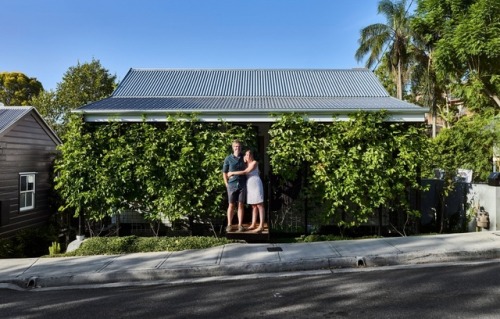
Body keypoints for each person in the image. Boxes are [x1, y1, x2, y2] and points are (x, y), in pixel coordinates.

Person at [228, 149, 265, 233]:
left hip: (256, 183)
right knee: (253, 206)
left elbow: (245, 172)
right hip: (249, 185)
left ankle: (261, 226)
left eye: (249, 155)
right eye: (246, 155)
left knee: (259, 205)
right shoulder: (246, 163)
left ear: (252, 156)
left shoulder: (254, 163)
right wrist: (244, 160)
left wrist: (232, 173)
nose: (247, 156)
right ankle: (253, 224)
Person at [222, 139, 247, 232]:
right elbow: (224, 173)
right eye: (236, 146)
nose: (237, 148)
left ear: (241, 147)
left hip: (242, 184)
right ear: (233, 147)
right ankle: (229, 224)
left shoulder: (244, 158)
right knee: (231, 205)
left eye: (239, 146)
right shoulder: (228, 159)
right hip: (231, 184)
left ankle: (240, 225)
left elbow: (248, 169)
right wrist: (226, 184)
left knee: (241, 205)